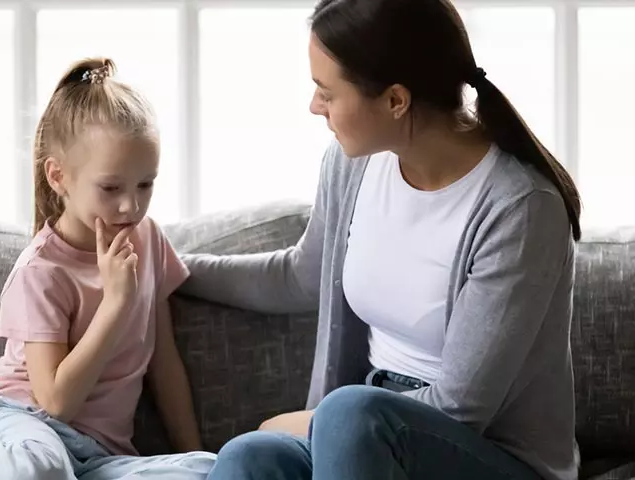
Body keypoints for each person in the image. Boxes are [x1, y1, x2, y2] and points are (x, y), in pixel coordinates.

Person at [179, 0, 581, 479]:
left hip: (490, 456)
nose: (314, 107)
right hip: (364, 435)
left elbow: (461, 407)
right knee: (249, 457)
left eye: (326, 92)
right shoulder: (351, 165)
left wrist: (313, 420)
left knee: (349, 415)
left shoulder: (519, 209)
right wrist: (172, 266)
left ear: (395, 100)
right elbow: (301, 276)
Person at [0, 58, 215, 480]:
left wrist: (192, 452)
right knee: (42, 465)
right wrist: (115, 304)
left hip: (98, 457)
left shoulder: (147, 241)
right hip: (24, 424)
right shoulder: (42, 271)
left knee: (207, 470)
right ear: (59, 176)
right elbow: (55, 402)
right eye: (111, 188)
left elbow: (164, 364)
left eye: (145, 184)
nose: (131, 206)